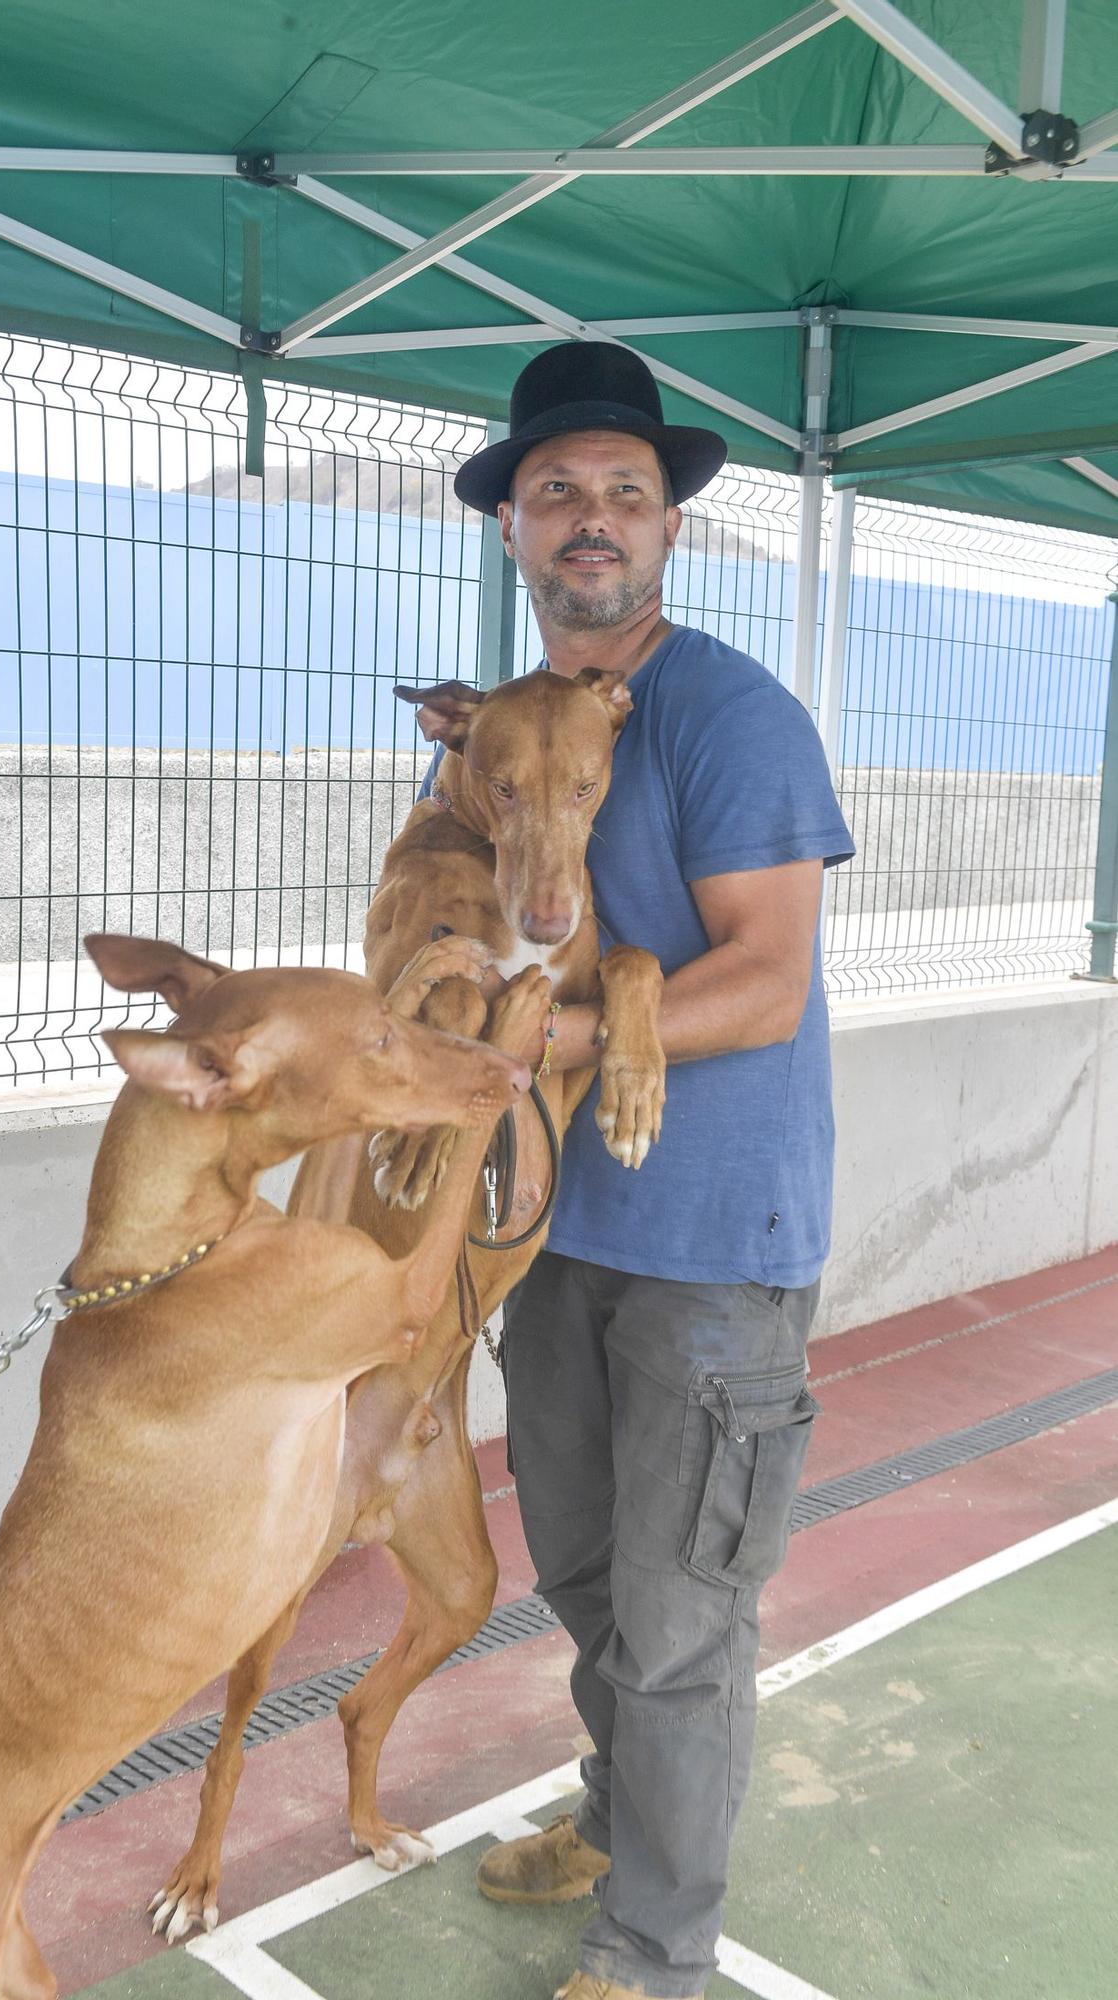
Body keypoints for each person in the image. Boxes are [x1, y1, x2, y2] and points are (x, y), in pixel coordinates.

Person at [437, 343, 855, 2000]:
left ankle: (655, 1951)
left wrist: (542, 1042)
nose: (589, 520)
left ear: (668, 526)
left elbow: (762, 981)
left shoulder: (727, 712)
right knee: (587, 1574)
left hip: (710, 1239)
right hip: (554, 1228)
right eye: (556, 494)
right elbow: (455, 924)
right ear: (513, 533)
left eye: (623, 493)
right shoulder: (493, 728)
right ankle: (617, 1823)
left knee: (682, 1623)